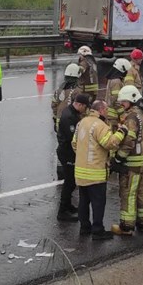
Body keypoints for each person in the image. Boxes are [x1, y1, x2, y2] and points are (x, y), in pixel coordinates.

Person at [72, 100, 128, 240]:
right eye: (107, 109)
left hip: (80, 171)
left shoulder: (82, 122)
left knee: (83, 202)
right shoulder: (100, 125)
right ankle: (98, 231)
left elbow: (74, 144)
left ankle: (85, 228)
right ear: (101, 110)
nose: (108, 112)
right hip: (95, 172)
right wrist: (122, 132)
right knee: (98, 203)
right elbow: (109, 143)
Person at [111, 85, 143, 235]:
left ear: (131, 100)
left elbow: (129, 141)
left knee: (128, 193)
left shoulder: (131, 118)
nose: (122, 104)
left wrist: (117, 159)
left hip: (132, 164)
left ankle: (127, 225)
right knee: (142, 192)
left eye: (124, 101)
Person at [56, 94, 90, 222]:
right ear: (80, 105)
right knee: (69, 182)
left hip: (67, 151)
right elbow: (73, 138)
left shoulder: (70, 111)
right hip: (67, 153)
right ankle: (62, 211)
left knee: (71, 181)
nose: (85, 110)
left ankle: (68, 205)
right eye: (85, 107)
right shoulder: (69, 117)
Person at [52, 63, 81, 132]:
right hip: (72, 124)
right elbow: (80, 109)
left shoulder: (59, 90)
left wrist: (56, 118)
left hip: (59, 123)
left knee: (61, 142)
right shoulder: (77, 91)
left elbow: (54, 105)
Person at [102, 59, 129, 127]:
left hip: (111, 114)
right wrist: (123, 113)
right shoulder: (116, 81)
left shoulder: (112, 79)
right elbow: (116, 100)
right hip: (113, 116)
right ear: (122, 69)